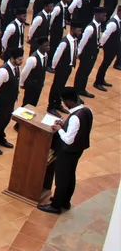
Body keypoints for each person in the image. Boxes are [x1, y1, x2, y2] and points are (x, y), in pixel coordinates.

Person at [37, 87, 93, 215]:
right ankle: (65, 201)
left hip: (67, 151)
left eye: (63, 101)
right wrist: (64, 125)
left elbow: (68, 140)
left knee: (62, 178)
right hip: (78, 150)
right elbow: (80, 130)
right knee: (70, 175)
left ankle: (56, 205)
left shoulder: (75, 118)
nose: (64, 104)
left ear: (68, 101)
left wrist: (59, 129)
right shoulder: (87, 111)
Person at [0, 48, 24, 155]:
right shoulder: (3, 71)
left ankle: (0, 137)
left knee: (6, 119)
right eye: (19, 59)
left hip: (10, 101)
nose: (21, 61)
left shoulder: (16, 68)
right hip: (2, 102)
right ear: (12, 59)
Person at [47, 22, 83, 117]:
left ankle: (58, 104)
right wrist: (53, 67)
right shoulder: (65, 42)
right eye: (78, 31)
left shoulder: (74, 40)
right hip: (61, 68)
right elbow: (57, 55)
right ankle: (51, 106)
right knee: (56, 87)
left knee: (61, 87)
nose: (80, 32)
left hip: (68, 67)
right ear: (72, 30)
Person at [74, 7, 107, 98]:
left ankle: (82, 89)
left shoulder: (98, 25)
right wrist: (78, 53)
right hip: (87, 54)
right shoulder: (90, 28)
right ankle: (77, 91)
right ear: (96, 15)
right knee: (82, 72)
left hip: (93, 53)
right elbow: (83, 41)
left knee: (87, 72)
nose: (105, 17)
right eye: (103, 15)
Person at [95, 5, 121, 89]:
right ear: (119, 12)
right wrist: (101, 45)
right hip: (109, 47)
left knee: (106, 64)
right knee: (105, 64)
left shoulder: (118, 21)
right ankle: (97, 82)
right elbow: (105, 35)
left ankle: (101, 79)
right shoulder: (113, 23)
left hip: (113, 47)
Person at [21, 38, 50, 108]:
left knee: (34, 104)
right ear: (40, 46)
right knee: (27, 104)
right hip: (31, 86)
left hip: (39, 85)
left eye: (48, 45)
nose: (48, 47)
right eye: (46, 46)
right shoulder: (33, 59)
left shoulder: (45, 55)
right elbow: (25, 72)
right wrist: (22, 83)